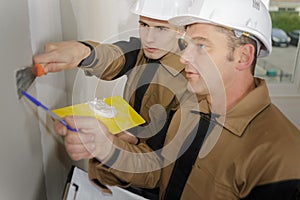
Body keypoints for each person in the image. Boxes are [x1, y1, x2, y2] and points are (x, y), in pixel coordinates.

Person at [55, 0, 300, 199]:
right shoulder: (190, 111)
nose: (184, 58)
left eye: (202, 46)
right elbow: (159, 174)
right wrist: (107, 147)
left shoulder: (284, 159)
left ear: (243, 56)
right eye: (187, 44)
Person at [35, 0, 191, 198]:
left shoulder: (191, 82)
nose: (149, 38)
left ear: (182, 30)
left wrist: (125, 141)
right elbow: (115, 57)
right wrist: (83, 52)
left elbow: (164, 161)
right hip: (120, 171)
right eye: (144, 25)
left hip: (150, 183)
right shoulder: (144, 52)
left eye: (161, 28)